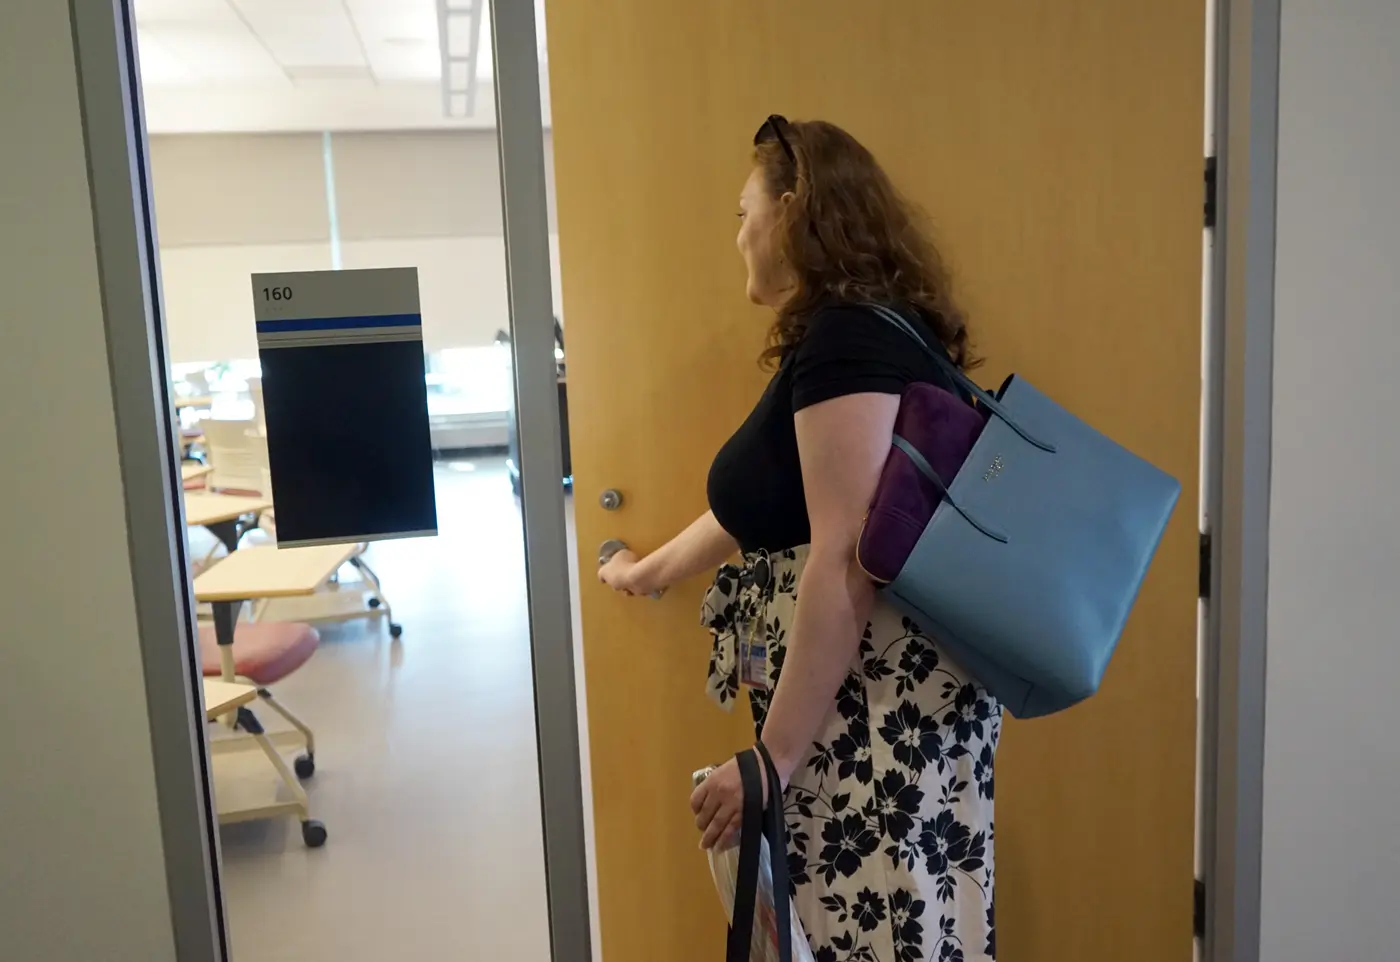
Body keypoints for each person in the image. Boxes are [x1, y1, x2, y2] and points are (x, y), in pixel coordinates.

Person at [599, 116, 1000, 962]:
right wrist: (648, 571)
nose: (739, 235)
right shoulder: (859, 335)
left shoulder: (844, 341)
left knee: (875, 934)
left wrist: (769, 764)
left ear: (793, 210)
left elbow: (844, 559)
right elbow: (765, 509)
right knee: (882, 928)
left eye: (745, 213)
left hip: (863, 722)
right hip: (857, 711)